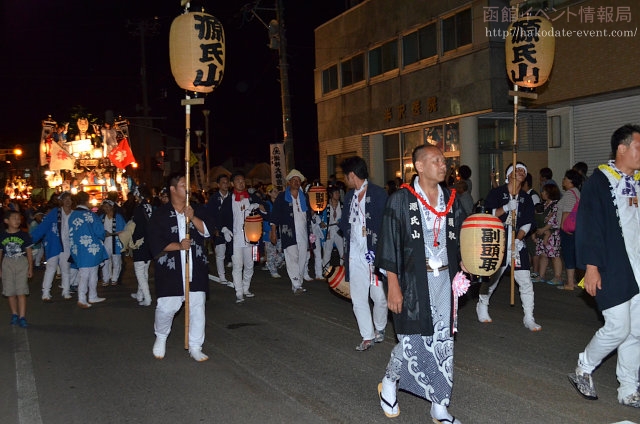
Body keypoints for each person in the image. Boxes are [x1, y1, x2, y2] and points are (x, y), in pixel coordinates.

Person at [375, 144, 467, 423]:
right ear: (420, 166)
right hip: (413, 280)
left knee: (442, 341)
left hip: (444, 281)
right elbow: (389, 243)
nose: (444, 165)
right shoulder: (401, 200)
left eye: (445, 161)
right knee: (411, 340)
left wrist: (468, 263)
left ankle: (440, 405)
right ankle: (389, 382)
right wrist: (393, 284)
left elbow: (462, 237)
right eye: (437, 160)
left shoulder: (452, 198)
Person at [568, 124, 640, 408]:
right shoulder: (600, 181)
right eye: (638, 147)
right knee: (618, 328)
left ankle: (628, 388)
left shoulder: (637, 181)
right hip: (611, 266)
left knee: (636, 331)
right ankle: (583, 368)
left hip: (637, 267)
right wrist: (592, 267)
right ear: (621, 149)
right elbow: (589, 226)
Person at [146, 173, 214, 362]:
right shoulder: (160, 214)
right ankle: (161, 336)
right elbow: (154, 241)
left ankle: (195, 346)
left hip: (196, 267)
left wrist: (192, 218)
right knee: (167, 307)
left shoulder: (196, 209)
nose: (188, 189)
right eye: (184, 185)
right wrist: (178, 246)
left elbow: (207, 231)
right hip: (172, 269)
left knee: (197, 307)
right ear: (173, 189)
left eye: (188, 185)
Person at [476, 162, 542, 331]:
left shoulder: (526, 198)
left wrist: (518, 240)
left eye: (523, 170)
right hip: (497, 242)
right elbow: (487, 214)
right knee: (493, 279)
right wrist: (505, 208)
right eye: (517, 169)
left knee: (525, 281)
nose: (521, 172)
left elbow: (528, 222)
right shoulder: (497, 193)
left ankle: (529, 317)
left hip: (516, 243)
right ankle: (482, 304)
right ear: (509, 174)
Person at [338, 156, 388, 351]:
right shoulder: (350, 196)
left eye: (345, 176)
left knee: (379, 297)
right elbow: (344, 224)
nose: (344, 179)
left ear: (352, 175)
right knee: (358, 298)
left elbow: (385, 224)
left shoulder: (378, 194)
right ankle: (367, 336)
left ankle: (380, 328)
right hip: (354, 254)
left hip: (374, 254)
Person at [227, 171, 265, 304]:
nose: (241, 183)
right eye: (238, 181)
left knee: (249, 265)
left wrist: (258, 206)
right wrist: (224, 229)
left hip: (251, 237)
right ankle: (239, 292)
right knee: (238, 265)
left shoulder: (251, 197)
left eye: (242, 180)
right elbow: (222, 217)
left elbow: (265, 209)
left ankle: (246, 288)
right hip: (236, 237)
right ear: (232, 184)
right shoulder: (229, 199)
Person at [30, 191, 76, 301]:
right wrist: (31, 239)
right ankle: (46, 292)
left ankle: (66, 290)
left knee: (66, 269)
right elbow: (44, 226)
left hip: (68, 245)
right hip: (54, 244)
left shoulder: (75, 214)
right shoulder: (55, 212)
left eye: (69, 198)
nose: (67, 201)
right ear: (61, 201)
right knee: (51, 268)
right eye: (65, 199)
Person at [270, 169, 311, 295]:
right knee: (292, 257)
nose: (296, 182)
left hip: (303, 232)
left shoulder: (304, 196)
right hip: (289, 232)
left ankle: (298, 282)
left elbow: (308, 214)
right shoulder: (282, 197)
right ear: (289, 182)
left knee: (302, 258)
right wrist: (273, 231)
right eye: (294, 180)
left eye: (298, 180)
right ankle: (296, 284)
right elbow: (275, 214)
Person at [69, 191, 109, 308]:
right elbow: (100, 231)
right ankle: (83, 298)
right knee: (90, 273)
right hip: (92, 248)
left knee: (86, 273)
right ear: (87, 201)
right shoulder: (90, 215)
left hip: (78, 248)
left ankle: (92, 296)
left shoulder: (73, 215)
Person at [1, 210, 34, 328]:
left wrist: (30, 267)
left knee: (21, 291)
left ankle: (22, 316)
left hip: (21, 262)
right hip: (7, 263)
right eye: (14, 218)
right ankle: (14, 314)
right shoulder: (2, 235)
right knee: (10, 291)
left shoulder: (24, 235)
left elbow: (29, 252)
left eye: (19, 218)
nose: (17, 220)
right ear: (6, 221)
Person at [556, 169, 583, 290]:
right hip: (576, 228)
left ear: (571, 181)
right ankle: (576, 281)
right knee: (574, 254)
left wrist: (563, 226)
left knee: (568, 254)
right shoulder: (577, 192)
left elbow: (567, 211)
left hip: (568, 229)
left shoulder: (569, 193)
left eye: (565, 178)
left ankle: (570, 283)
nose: (563, 180)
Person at [532, 184, 563, 285]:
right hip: (542, 232)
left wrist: (544, 229)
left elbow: (553, 219)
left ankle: (558, 277)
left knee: (554, 255)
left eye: (544, 192)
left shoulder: (555, 205)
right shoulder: (544, 204)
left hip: (552, 233)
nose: (542, 193)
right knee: (543, 255)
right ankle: (541, 276)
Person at [207, 174, 233, 287]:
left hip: (232, 230)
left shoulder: (232, 197)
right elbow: (210, 216)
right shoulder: (213, 199)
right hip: (219, 230)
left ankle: (235, 275)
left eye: (227, 182)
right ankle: (222, 276)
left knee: (234, 253)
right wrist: (214, 229)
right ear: (218, 185)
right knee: (220, 253)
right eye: (223, 182)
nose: (226, 184)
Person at [130, 185, 154, 306]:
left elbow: (137, 227)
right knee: (144, 270)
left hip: (141, 242)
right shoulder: (149, 206)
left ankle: (147, 298)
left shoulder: (139, 208)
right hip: (149, 242)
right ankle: (140, 294)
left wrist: (133, 241)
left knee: (140, 272)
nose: (134, 196)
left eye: (135, 194)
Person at [99, 199, 126, 286]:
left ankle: (115, 278)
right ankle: (106, 278)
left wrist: (112, 233)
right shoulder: (102, 217)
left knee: (116, 260)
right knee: (106, 260)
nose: (106, 208)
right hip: (105, 241)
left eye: (107, 206)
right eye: (104, 207)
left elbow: (123, 230)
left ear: (112, 207)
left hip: (116, 241)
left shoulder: (118, 217)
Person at [262, 184, 284, 278]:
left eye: (277, 191)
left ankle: (270, 265)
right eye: (274, 191)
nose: (277, 193)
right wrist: (269, 231)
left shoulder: (280, 203)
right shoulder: (266, 204)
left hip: (280, 231)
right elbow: (266, 219)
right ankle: (273, 270)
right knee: (271, 253)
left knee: (283, 253)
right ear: (269, 193)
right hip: (270, 232)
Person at [321, 186, 344, 267]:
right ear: (331, 194)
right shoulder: (325, 206)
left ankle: (343, 270)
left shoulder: (342, 205)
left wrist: (341, 221)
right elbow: (320, 218)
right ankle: (326, 270)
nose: (338, 194)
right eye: (336, 193)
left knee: (342, 251)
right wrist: (322, 223)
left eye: (338, 193)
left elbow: (345, 217)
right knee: (327, 251)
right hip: (329, 230)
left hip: (339, 231)